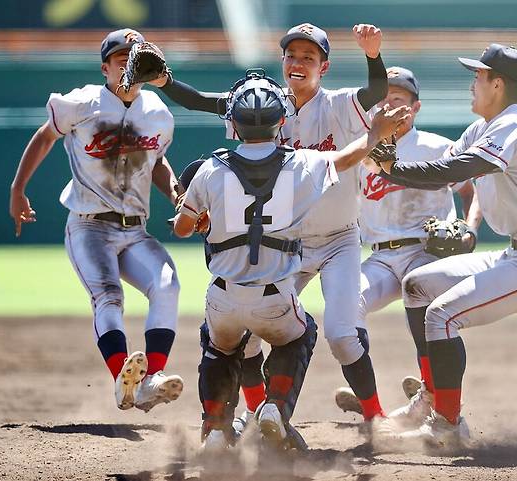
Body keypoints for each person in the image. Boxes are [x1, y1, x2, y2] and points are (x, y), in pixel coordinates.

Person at [173, 70, 410, 451]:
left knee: (218, 347)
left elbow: (183, 228)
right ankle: (275, 408)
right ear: (282, 121)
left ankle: (216, 427)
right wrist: (374, 134)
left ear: (232, 122)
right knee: (300, 337)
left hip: (222, 295)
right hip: (274, 296)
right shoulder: (299, 163)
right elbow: (347, 160)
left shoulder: (209, 168)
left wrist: (192, 214)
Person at [367, 44, 517, 450]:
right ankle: (430, 398)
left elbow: (457, 170)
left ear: (498, 83)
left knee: (441, 315)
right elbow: (446, 172)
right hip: (515, 254)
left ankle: (447, 423)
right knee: (417, 285)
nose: (472, 82)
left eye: (478, 75)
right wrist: (384, 146)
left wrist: (392, 167)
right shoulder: (485, 128)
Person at [224, 23, 391, 428]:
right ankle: (255, 413)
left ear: (324, 67)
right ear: (282, 61)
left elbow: (375, 93)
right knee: (247, 334)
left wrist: (373, 55)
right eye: (291, 55)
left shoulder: (337, 104)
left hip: (339, 241)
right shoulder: (266, 109)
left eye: (308, 57)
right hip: (289, 243)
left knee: (341, 335)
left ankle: (376, 418)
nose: (297, 62)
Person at [9, 29, 185, 413]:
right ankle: (120, 377)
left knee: (168, 284)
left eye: (136, 56)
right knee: (109, 297)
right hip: (88, 226)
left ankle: (149, 379)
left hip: (135, 228)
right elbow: (44, 137)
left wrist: (175, 193)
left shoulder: (158, 112)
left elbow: (156, 163)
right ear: (105, 67)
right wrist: (18, 188)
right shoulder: (82, 102)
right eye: (121, 58)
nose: (129, 63)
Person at [332, 67, 482, 429]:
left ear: (415, 108)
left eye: (398, 98)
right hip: (381, 256)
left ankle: (431, 392)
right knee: (346, 304)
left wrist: (468, 229)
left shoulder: (436, 146)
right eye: (383, 98)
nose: (388, 104)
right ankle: (373, 408)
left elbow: (471, 192)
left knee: (423, 295)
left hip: (426, 250)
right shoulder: (360, 152)